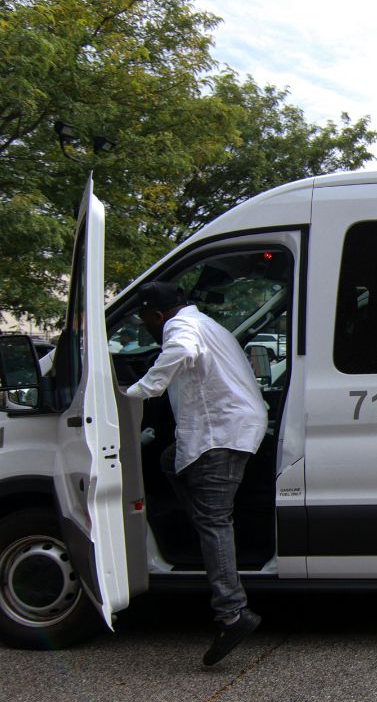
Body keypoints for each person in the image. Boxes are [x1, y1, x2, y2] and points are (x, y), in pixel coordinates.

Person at [121, 282, 267, 666]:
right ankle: (199, 521)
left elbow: (182, 351)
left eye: (146, 321)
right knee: (170, 461)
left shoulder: (178, 328)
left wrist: (138, 391)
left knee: (214, 520)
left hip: (220, 432)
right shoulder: (207, 323)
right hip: (229, 427)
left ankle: (233, 613)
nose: (147, 327)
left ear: (157, 314)